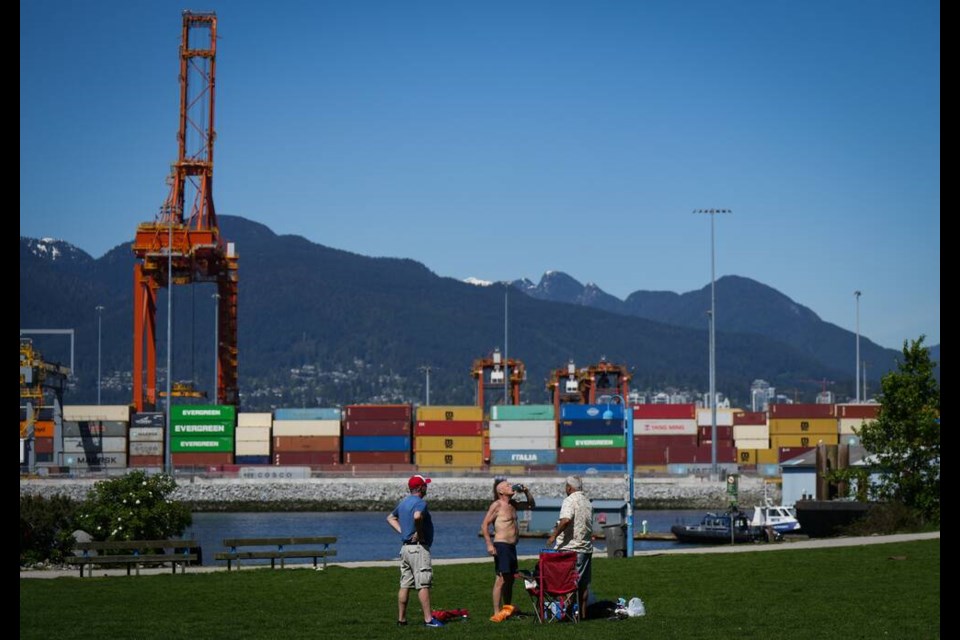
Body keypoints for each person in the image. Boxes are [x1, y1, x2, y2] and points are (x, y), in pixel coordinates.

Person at [387, 474, 444, 628]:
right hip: (418, 549)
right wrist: (419, 532)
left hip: (405, 549)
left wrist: (403, 531)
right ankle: (428, 620)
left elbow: (390, 518)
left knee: (405, 584)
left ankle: (401, 619)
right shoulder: (420, 503)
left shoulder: (404, 503)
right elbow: (418, 516)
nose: (427, 487)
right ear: (420, 488)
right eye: (425, 485)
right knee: (423, 583)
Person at [482, 479, 536, 622]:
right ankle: (496, 612)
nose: (510, 486)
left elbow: (532, 505)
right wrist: (489, 544)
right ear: (500, 491)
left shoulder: (513, 505)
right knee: (501, 579)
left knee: (510, 579)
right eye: (507, 485)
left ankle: (507, 609)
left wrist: (526, 491)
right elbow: (484, 525)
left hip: (511, 547)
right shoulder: (497, 505)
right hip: (501, 545)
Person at [546, 475, 593, 620]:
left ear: (569, 487)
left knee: (568, 584)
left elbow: (566, 519)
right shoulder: (587, 502)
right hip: (585, 548)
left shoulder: (569, 500)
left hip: (571, 549)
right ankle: (583, 615)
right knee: (583, 584)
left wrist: (554, 535)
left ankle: (567, 615)